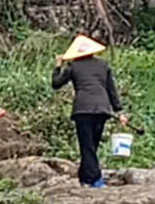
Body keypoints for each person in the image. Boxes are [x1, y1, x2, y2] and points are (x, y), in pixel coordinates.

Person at [51, 34, 128, 188]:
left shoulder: (73, 66)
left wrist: (58, 66)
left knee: (87, 146)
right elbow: (111, 90)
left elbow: (56, 84)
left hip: (83, 110)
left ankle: (96, 180)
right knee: (92, 145)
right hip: (102, 110)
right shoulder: (103, 65)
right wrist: (119, 112)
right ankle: (85, 178)